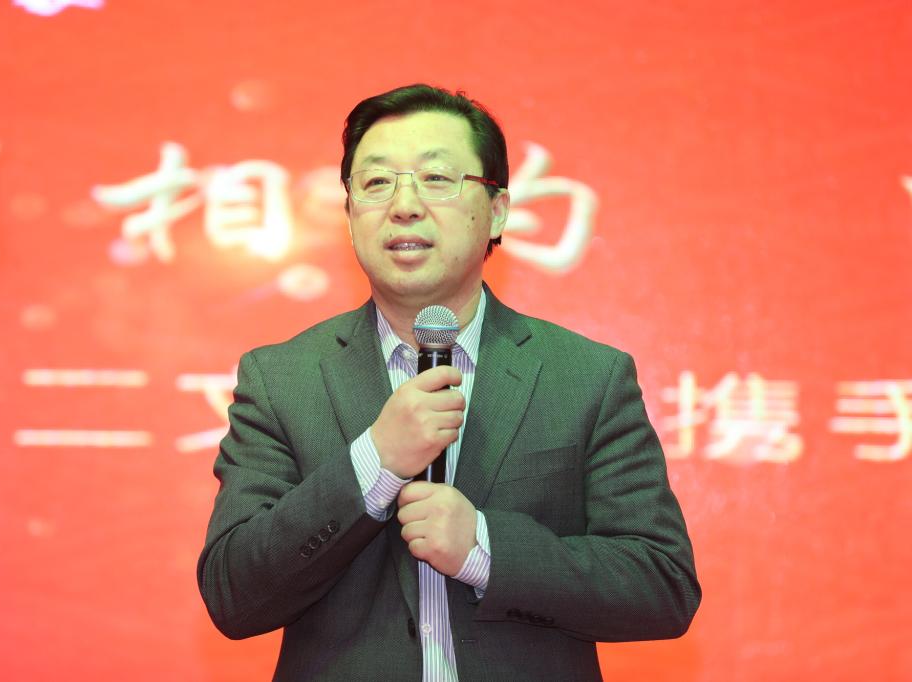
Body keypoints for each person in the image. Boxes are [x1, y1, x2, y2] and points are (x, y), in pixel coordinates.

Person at [198, 84, 700, 681]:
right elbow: (233, 593)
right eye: (376, 182)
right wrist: (375, 461)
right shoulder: (282, 379)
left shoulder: (587, 377)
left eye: (436, 179)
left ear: (498, 210)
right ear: (349, 214)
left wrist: (483, 548)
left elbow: (661, 585)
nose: (404, 205)